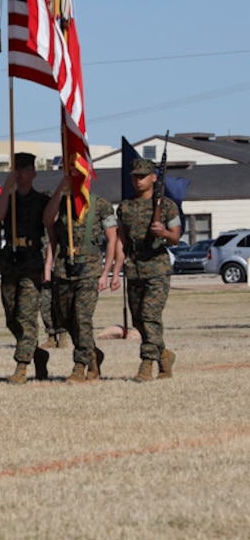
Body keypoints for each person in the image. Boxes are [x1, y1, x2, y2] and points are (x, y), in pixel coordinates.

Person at [44, 173, 122, 382]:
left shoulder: (101, 205)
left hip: (89, 269)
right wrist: (61, 187)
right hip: (64, 269)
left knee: (82, 318)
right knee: (66, 319)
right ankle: (93, 354)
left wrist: (106, 272)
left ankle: (80, 365)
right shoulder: (61, 202)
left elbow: (112, 239)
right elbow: (47, 220)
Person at [118, 157, 181, 382]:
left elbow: (176, 237)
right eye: (135, 176)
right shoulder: (125, 207)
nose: (138, 180)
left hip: (157, 269)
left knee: (150, 315)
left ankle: (146, 364)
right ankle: (164, 354)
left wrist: (163, 232)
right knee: (139, 320)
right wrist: (116, 271)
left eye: (142, 176)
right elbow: (121, 242)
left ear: (154, 177)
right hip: (135, 269)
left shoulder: (167, 205)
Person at [0, 152, 51, 384]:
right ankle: (37, 354)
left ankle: (22, 367)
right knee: (12, 318)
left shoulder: (41, 200)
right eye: (17, 168)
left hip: (31, 262)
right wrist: (7, 186)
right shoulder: (9, 198)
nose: (21, 173)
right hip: (11, 262)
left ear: (34, 172)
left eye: (25, 168)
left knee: (26, 317)